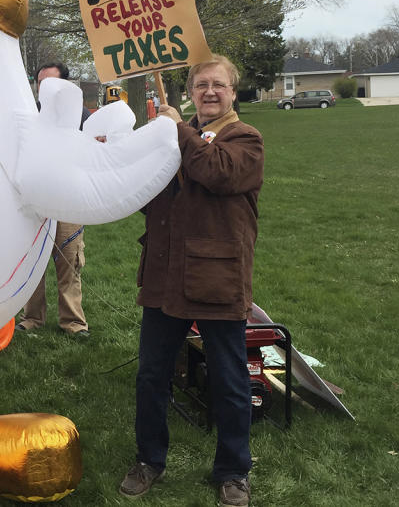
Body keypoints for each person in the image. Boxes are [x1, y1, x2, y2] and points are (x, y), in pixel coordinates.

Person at [119, 54, 263, 507]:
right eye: (201, 85)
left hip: (218, 276)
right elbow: (149, 195)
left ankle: (233, 470)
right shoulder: (175, 139)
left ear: (232, 92)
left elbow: (216, 171)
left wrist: (176, 129)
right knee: (151, 375)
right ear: (191, 91)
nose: (210, 92)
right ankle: (149, 460)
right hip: (165, 274)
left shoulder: (245, 138)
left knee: (229, 380)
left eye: (218, 85)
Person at [17, 62, 91, 338]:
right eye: (39, 82)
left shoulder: (81, 115)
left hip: (69, 201)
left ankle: (73, 322)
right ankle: (32, 317)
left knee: (69, 260)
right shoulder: (29, 115)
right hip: (35, 203)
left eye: (49, 82)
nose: (42, 88)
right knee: (32, 261)